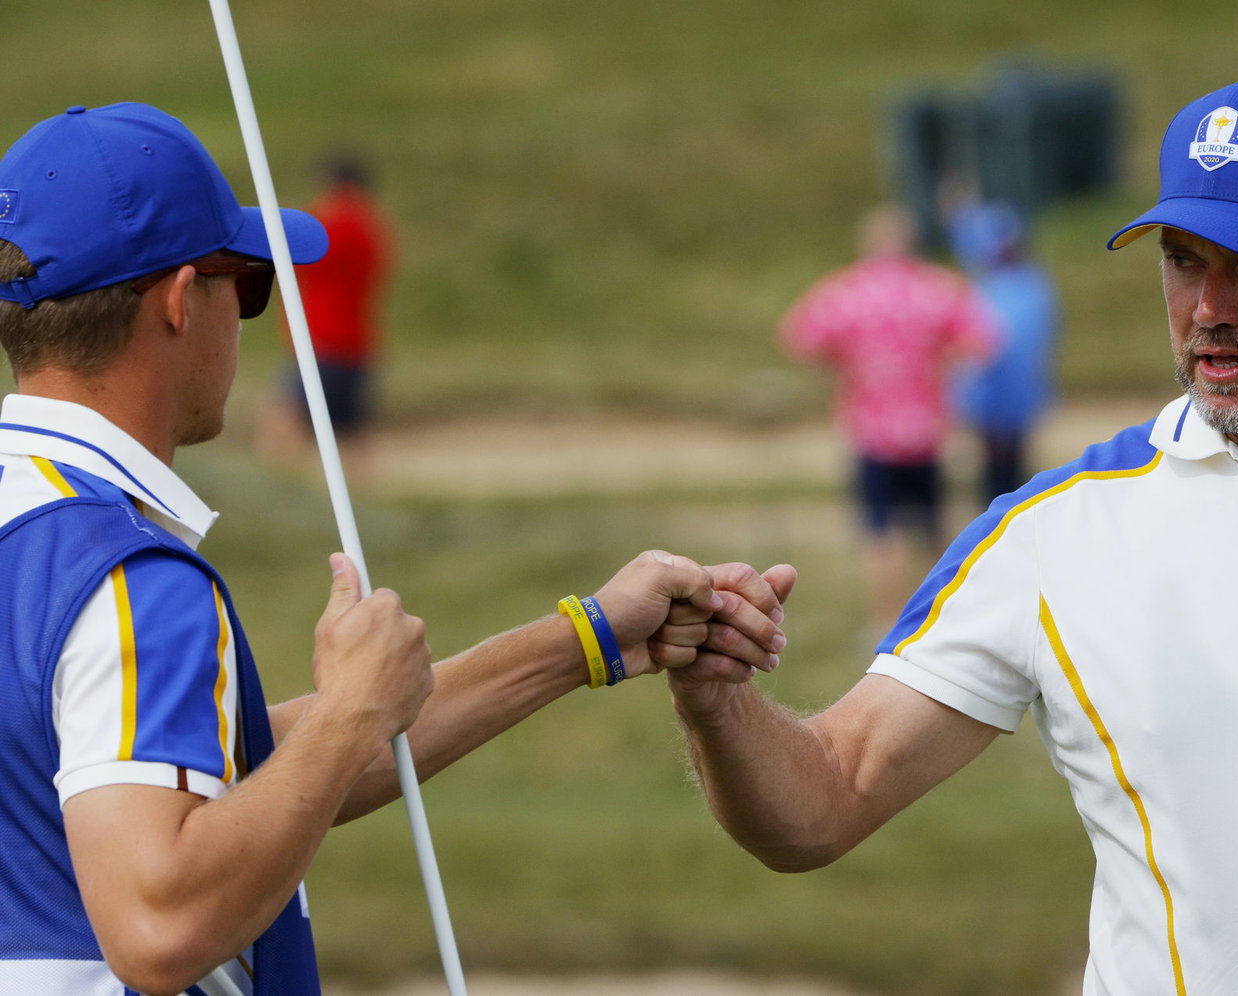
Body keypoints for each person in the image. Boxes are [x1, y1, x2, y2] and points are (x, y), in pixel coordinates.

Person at [668, 70, 1238, 992]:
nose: (1209, 309)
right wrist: (718, 701)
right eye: (1184, 258)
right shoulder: (1050, 533)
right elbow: (824, 801)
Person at [0, 103, 786, 996]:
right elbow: (159, 925)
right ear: (184, 299)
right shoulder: (128, 575)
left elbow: (248, 780)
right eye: (250, 286)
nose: (250, 319)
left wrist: (590, 637)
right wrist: (349, 712)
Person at [779, 203, 994, 630]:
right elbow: (982, 339)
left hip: (872, 430)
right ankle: (943, 616)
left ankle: (884, 621)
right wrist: (940, 364)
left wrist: (842, 367)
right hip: (926, 429)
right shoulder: (936, 289)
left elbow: (800, 337)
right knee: (933, 528)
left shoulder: (847, 292)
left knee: (879, 534)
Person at [254, 154, 392, 478]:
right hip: (357, 343)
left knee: (285, 421)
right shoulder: (373, 227)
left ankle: (277, 489)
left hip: (321, 341)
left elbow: (293, 254)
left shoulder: (331, 224)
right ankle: (364, 499)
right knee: (351, 431)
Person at [945, 200, 1060, 504]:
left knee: (1014, 456)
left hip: (1019, 384)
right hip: (987, 386)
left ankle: (1011, 508)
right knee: (993, 459)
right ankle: (995, 511)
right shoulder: (988, 283)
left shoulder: (1029, 283)